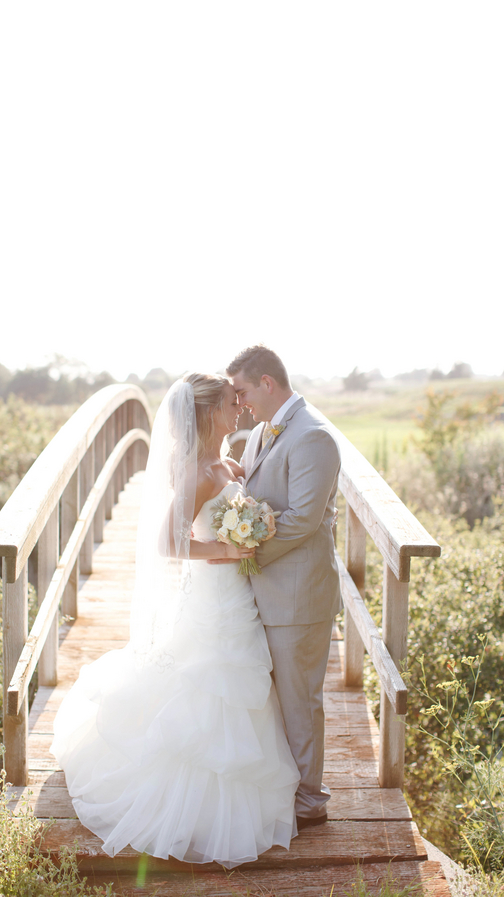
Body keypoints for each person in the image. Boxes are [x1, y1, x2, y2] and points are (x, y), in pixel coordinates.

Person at [51, 372, 299, 867]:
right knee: (207, 683)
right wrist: (227, 547)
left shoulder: (223, 463)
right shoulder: (197, 473)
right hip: (212, 597)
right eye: (232, 404)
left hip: (235, 594)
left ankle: (234, 796)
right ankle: (186, 806)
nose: (240, 410)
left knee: (239, 684)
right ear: (208, 412)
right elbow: (169, 541)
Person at [221, 345, 342, 829]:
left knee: (299, 702)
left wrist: (245, 553)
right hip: (263, 590)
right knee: (272, 700)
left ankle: (310, 802)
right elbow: (254, 496)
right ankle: (281, 791)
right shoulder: (258, 434)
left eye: (244, 391)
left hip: (297, 595)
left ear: (267, 383)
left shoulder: (314, 437)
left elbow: (303, 521)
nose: (241, 402)